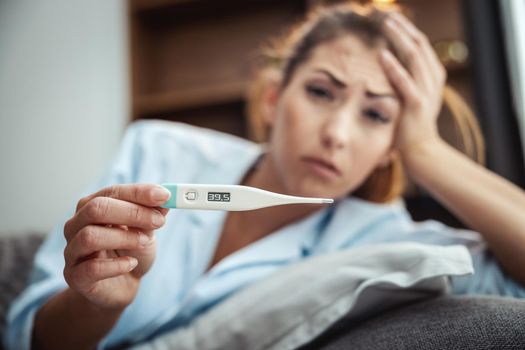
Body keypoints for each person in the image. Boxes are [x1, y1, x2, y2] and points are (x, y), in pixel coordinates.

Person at [5, 3, 525, 350]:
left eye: (376, 116)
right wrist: (92, 303)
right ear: (275, 99)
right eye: (321, 92)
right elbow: (26, 336)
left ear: (392, 147)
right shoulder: (159, 148)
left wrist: (426, 150)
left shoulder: (388, 245)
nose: (338, 134)